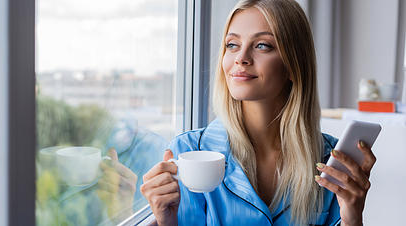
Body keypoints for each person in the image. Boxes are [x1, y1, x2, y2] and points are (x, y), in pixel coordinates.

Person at [140, 0, 376, 225]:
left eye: (262, 45)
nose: (241, 59)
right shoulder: (188, 151)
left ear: (294, 65)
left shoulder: (330, 159)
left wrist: (352, 220)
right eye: (232, 45)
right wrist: (166, 222)